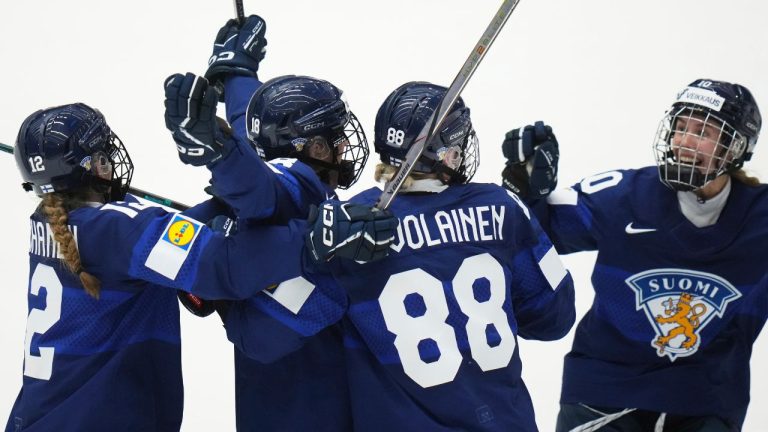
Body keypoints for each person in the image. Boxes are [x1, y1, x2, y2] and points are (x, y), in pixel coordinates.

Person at [5, 102, 360, 431]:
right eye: (105, 154)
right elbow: (224, 266)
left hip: (42, 417)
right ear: (94, 164)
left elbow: (149, 243)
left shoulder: (52, 220)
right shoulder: (117, 229)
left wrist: (221, 205)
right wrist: (314, 238)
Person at [500, 78, 767, 431]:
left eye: (702, 131)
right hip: (604, 393)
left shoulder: (760, 218)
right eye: (680, 127)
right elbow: (539, 231)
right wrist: (526, 186)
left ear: (735, 147)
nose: (684, 141)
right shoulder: (624, 196)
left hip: (705, 400)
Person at [308, 81, 576, 431]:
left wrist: (303, 249)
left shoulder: (348, 226)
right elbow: (554, 317)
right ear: (444, 153)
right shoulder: (500, 206)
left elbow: (271, 335)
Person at [162, 14, 370, 431]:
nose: (345, 144)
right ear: (311, 146)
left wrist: (237, 75)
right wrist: (218, 153)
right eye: (334, 136)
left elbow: (249, 132)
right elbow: (260, 186)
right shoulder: (301, 194)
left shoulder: (264, 160)